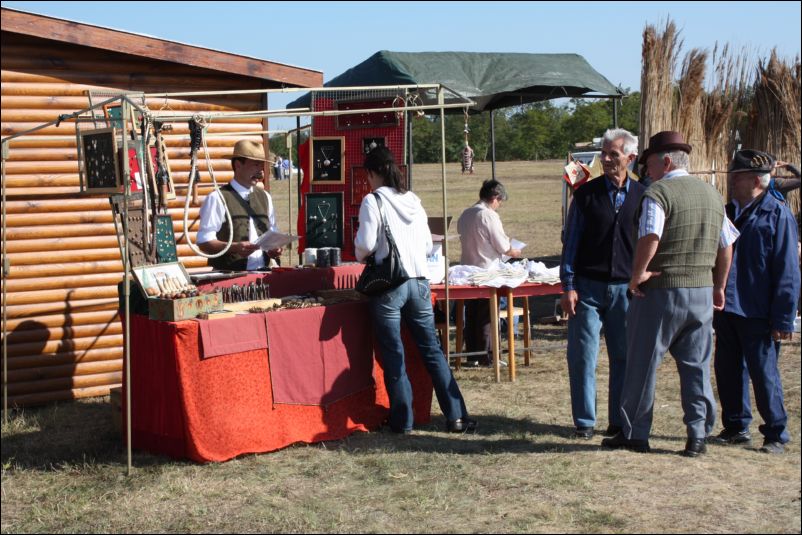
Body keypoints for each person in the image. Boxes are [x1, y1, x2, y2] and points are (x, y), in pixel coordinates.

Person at [603, 130, 737, 457]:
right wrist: (719, 285)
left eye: (649, 164)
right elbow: (727, 244)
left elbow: (650, 235)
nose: (646, 171)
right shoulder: (712, 194)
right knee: (696, 367)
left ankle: (635, 433)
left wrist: (637, 275)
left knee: (642, 363)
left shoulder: (658, 193)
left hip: (661, 291)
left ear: (665, 162)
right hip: (701, 292)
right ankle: (698, 435)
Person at [354, 146, 476, 434]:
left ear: (371, 173)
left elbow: (366, 245)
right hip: (419, 282)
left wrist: (362, 254)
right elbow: (427, 244)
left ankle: (403, 420)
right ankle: (456, 415)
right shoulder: (414, 201)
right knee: (432, 350)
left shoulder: (373, 201)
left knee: (393, 353)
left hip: (389, 285)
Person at [709, 149, 800, 454]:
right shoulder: (726, 212)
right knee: (727, 369)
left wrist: (784, 317)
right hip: (727, 305)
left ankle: (776, 433)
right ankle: (736, 426)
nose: (732, 181)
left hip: (759, 309)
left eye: (739, 176)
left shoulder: (778, 214)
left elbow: (787, 270)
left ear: (758, 181)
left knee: (764, 374)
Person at [559, 128, 645, 440]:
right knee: (583, 356)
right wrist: (568, 285)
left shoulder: (644, 195)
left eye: (613, 154)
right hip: (588, 287)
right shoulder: (585, 195)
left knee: (624, 357)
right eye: (604, 154)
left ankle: (618, 421)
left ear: (630, 158)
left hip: (626, 290)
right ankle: (584, 421)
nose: (606, 160)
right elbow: (571, 243)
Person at [457, 180, 522, 366]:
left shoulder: (466, 213)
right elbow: (503, 246)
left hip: (468, 270)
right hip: (487, 271)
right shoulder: (488, 215)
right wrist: (514, 251)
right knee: (487, 314)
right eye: (500, 201)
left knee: (472, 314)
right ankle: (487, 356)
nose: (499, 205)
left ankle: (472, 355)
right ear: (495, 197)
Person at [197, 139, 282, 270]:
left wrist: (274, 248)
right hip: (229, 276)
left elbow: (273, 234)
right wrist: (234, 248)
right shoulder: (217, 198)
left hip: (262, 273)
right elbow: (204, 242)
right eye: (255, 165)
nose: (261, 172)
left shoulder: (265, 197)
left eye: (261, 166)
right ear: (238, 165)